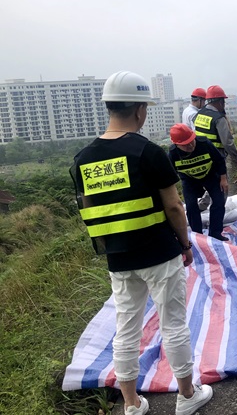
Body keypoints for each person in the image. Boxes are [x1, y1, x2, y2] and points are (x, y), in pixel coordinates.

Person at [70, 71, 213, 415]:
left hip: (119, 258)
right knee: (173, 323)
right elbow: (174, 206)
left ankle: (132, 404)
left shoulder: (83, 159)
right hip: (160, 253)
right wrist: (186, 245)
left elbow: (90, 210)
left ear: (109, 107)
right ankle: (187, 395)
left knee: (126, 327)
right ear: (139, 109)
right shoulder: (148, 152)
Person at [168, 123, 228, 242]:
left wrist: (223, 179)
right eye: (185, 145)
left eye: (191, 141)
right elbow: (169, 175)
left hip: (210, 175)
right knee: (191, 206)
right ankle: (198, 236)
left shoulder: (204, 143)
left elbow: (220, 160)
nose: (190, 145)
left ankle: (215, 233)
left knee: (219, 201)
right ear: (177, 145)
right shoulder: (173, 153)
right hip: (189, 179)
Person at [194, 85, 237, 194]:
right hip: (217, 158)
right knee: (221, 190)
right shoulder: (219, 118)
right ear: (220, 102)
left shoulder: (199, 114)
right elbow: (227, 143)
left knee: (207, 188)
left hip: (201, 158)